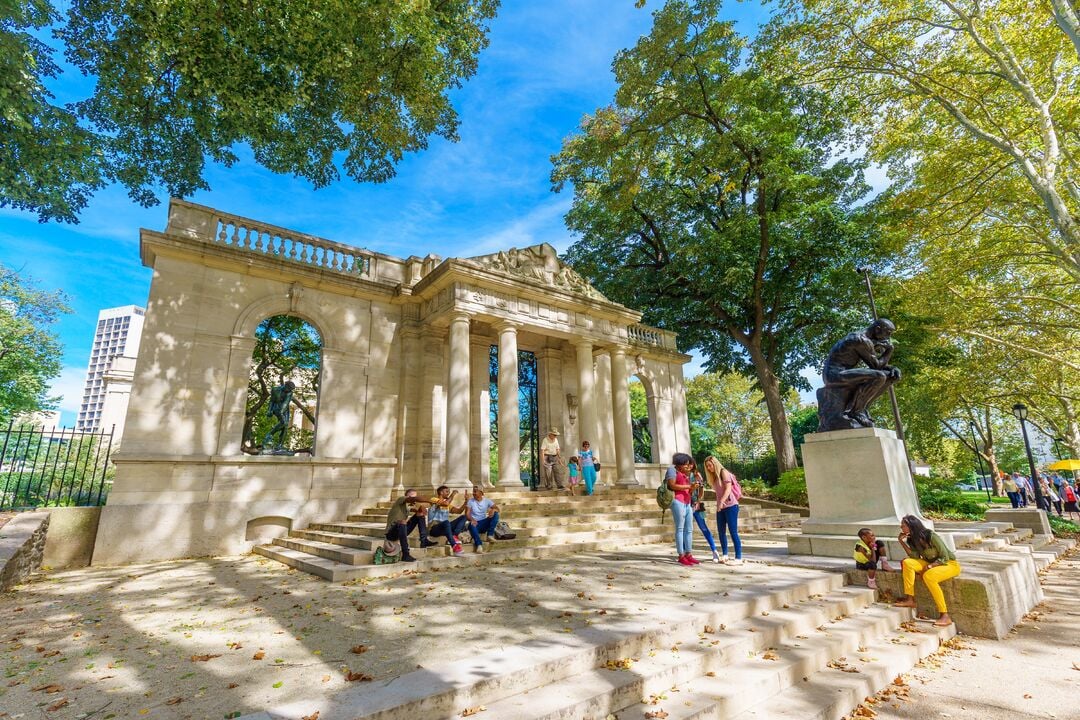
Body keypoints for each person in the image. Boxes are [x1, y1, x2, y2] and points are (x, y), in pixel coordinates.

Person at [819, 319, 901, 430]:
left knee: (889, 376)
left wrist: (892, 368)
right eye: (888, 332)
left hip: (843, 372)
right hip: (834, 375)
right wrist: (889, 350)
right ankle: (856, 411)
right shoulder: (860, 340)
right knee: (879, 376)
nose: (888, 336)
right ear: (877, 329)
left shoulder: (864, 339)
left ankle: (863, 406)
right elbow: (876, 366)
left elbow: (876, 364)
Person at [893, 515, 961, 627]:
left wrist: (929, 567)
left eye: (903, 525)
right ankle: (910, 599)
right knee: (907, 563)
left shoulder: (930, 535)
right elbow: (913, 555)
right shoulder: (912, 539)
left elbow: (945, 556)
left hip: (948, 564)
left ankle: (945, 615)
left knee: (929, 576)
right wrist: (901, 541)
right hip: (930, 563)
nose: (901, 527)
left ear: (911, 526)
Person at [704, 455, 743, 565]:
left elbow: (728, 489)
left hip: (731, 506)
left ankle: (738, 558)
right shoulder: (714, 477)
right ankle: (725, 554)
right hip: (720, 507)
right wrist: (719, 505)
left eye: (710, 465)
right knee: (721, 532)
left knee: (733, 532)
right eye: (707, 466)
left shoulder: (723, 472)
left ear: (715, 464)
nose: (708, 468)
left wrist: (721, 502)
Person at [665, 453, 698, 566]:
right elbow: (672, 485)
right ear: (679, 464)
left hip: (687, 502)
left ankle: (689, 553)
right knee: (680, 528)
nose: (688, 467)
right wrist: (689, 486)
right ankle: (681, 555)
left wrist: (692, 488)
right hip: (677, 501)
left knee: (689, 529)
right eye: (686, 465)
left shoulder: (685, 474)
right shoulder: (672, 471)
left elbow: (688, 490)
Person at [690, 462, 721, 563]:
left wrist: (698, 501)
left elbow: (701, 490)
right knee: (686, 529)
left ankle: (714, 550)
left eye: (691, 464)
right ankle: (686, 553)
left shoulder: (697, 475)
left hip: (696, 505)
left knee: (704, 527)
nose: (689, 466)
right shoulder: (682, 475)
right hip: (685, 505)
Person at [426, 485, 468, 556]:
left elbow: (459, 511)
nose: (448, 493)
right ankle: (454, 547)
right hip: (434, 529)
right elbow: (446, 503)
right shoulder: (434, 500)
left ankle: (455, 534)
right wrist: (453, 494)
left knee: (463, 517)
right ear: (441, 492)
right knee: (446, 522)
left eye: (449, 492)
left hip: (445, 527)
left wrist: (466, 502)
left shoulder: (447, 505)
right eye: (447, 491)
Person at [384, 488, 423, 562]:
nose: (414, 499)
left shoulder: (407, 507)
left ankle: (424, 540)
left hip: (401, 530)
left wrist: (420, 509)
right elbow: (416, 499)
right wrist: (430, 500)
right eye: (412, 496)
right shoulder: (400, 499)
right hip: (391, 533)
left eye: (415, 496)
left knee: (419, 515)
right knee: (402, 521)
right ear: (406, 496)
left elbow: (421, 511)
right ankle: (405, 554)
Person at [466, 486, 501, 553]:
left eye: (475, 491)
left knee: (496, 514)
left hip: (484, 522)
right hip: (475, 523)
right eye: (473, 491)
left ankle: (490, 535)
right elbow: (467, 514)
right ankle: (479, 545)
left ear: (481, 493)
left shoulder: (487, 501)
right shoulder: (470, 501)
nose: (473, 493)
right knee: (472, 525)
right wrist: (472, 519)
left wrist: (493, 510)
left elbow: (497, 509)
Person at [262, 380, 296, 448]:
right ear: (286, 386)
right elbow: (272, 401)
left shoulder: (289, 393)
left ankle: (280, 445)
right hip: (276, 407)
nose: (289, 391)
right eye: (289, 389)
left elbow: (285, 403)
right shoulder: (275, 389)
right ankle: (270, 434)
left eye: (290, 390)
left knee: (285, 426)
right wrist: (269, 410)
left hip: (285, 409)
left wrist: (281, 412)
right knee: (284, 423)